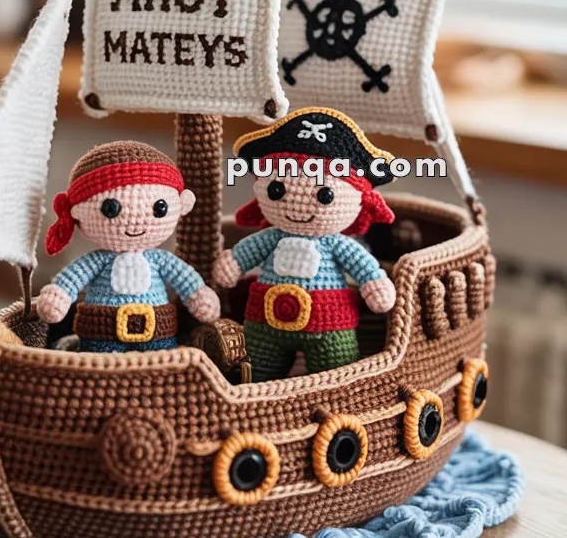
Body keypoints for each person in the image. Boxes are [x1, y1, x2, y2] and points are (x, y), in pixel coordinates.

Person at [213, 107, 397, 381]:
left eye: (324, 195)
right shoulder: (271, 238)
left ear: (358, 200)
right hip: (265, 321)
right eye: (277, 190)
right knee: (258, 372)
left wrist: (374, 282)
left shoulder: (338, 245)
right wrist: (233, 263)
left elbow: (363, 267)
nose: (299, 207)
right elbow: (244, 254)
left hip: (329, 321)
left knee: (334, 372)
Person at [37, 140, 219, 351]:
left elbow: (185, 279)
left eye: (159, 208)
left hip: (157, 331)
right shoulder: (96, 262)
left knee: (160, 364)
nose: (135, 221)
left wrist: (199, 296)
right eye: (111, 208)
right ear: (77, 212)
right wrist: (58, 296)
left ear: (181, 205)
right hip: (102, 330)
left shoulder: (160, 260)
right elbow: (71, 280)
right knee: (99, 364)